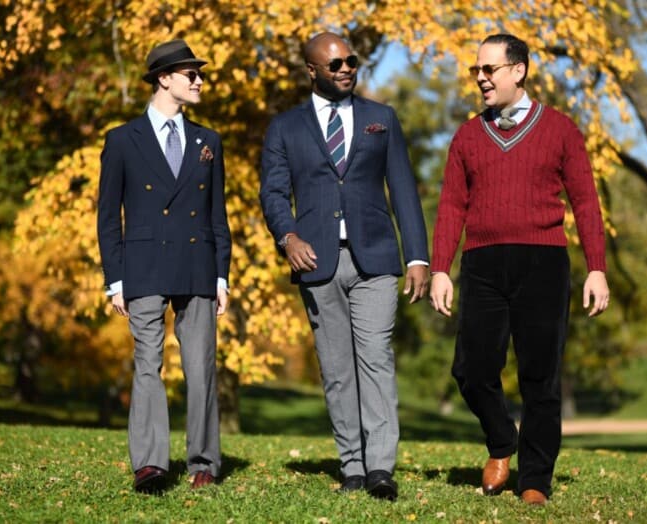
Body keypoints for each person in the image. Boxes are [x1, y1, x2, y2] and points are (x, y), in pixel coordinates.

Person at [429, 33, 610, 505]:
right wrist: (441, 269)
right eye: (477, 71)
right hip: (482, 262)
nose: (481, 78)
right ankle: (501, 441)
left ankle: (534, 480)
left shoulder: (561, 130)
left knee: (540, 377)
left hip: (544, 261)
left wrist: (597, 268)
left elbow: (586, 201)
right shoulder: (468, 135)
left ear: (519, 71)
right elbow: (451, 205)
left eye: (489, 69)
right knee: (470, 369)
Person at [259, 32, 429, 501]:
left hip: (375, 259)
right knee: (336, 369)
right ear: (311, 70)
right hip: (317, 261)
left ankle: (380, 469)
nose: (346, 69)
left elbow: (404, 190)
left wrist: (417, 256)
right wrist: (287, 236)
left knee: (375, 358)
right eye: (334, 64)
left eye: (351, 61)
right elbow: (273, 193)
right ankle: (351, 465)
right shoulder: (285, 128)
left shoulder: (382, 119)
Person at [97, 39, 231, 494]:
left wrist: (222, 276)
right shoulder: (121, 140)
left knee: (201, 366)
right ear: (163, 79)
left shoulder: (208, 141)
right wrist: (114, 278)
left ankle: (204, 461)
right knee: (147, 362)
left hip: (198, 265)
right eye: (190, 73)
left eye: (200, 73)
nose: (199, 80)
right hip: (143, 265)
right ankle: (150, 464)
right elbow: (107, 217)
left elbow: (218, 215)